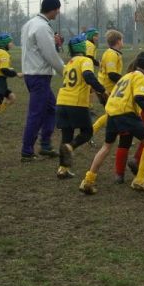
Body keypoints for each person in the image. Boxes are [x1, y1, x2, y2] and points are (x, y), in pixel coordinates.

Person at [79, 52, 144, 195]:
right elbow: (140, 98)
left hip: (112, 112)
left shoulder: (126, 76)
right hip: (126, 114)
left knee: (106, 147)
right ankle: (140, 180)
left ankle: (88, 180)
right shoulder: (140, 77)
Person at [55, 34, 108, 179]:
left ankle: (62, 169)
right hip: (76, 102)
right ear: (82, 48)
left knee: (67, 134)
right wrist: (102, 90)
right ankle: (70, 147)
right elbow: (88, 76)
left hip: (61, 102)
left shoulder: (70, 62)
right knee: (87, 132)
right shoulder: (85, 60)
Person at [20, 0, 65, 162]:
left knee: (51, 109)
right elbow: (50, 55)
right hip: (39, 76)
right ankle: (27, 150)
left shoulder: (30, 24)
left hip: (32, 74)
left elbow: (37, 49)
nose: (58, 12)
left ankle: (45, 145)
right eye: (57, 9)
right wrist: (65, 71)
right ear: (52, 9)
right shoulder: (42, 27)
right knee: (36, 114)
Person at [91, 30, 124, 136]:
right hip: (105, 90)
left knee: (115, 113)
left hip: (108, 89)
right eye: (122, 40)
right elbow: (112, 75)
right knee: (115, 113)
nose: (122, 42)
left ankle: (118, 135)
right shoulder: (111, 54)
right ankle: (90, 132)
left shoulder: (113, 53)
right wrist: (127, 80)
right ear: (118, 41)